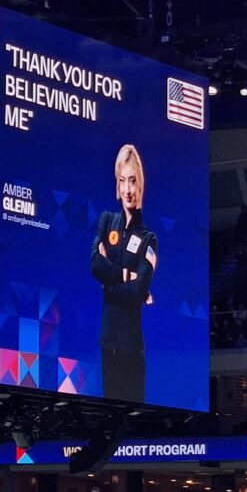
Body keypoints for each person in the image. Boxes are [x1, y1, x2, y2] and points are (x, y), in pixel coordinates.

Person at [91, 144, 157, 402]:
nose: (128, 189)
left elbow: (137, 290)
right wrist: (127, 275)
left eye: (132, 181)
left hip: (132, 348)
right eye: (122, 181)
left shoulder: (148, 238)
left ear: (140, 184)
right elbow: (95, 264)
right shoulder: (107, 221)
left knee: (130, 420)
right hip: (109, 344)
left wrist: (110, 281)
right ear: (117, 186)